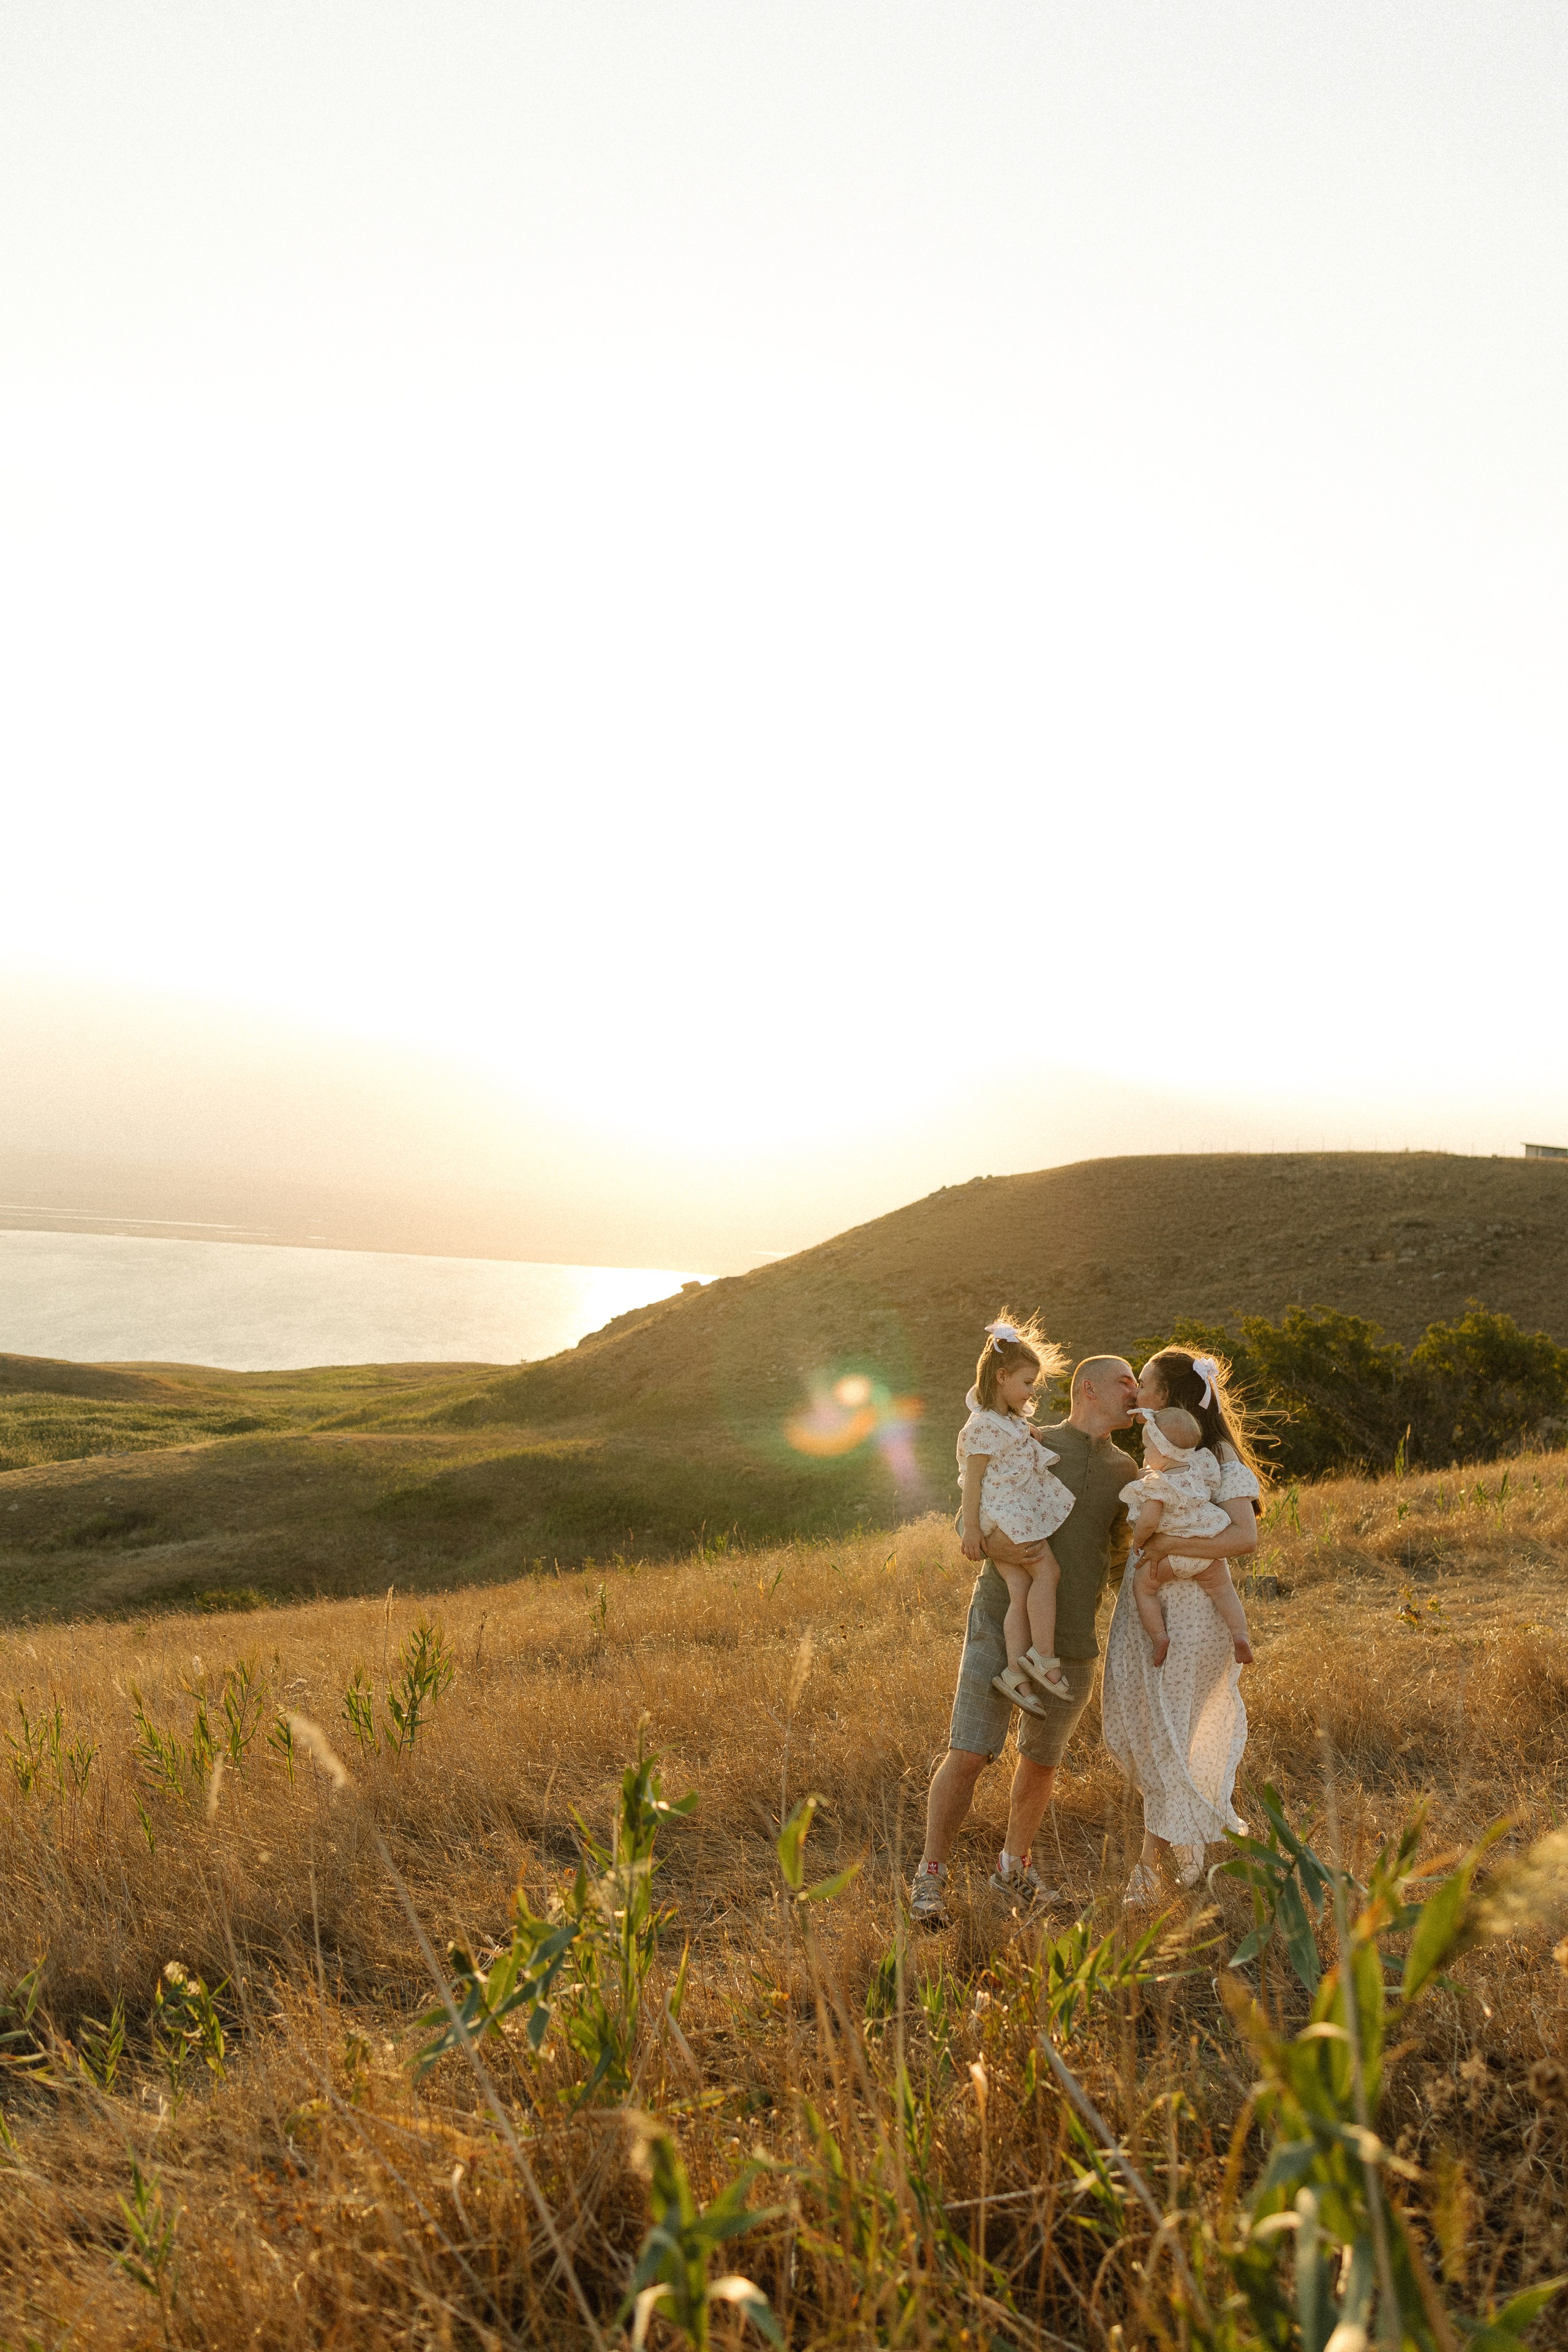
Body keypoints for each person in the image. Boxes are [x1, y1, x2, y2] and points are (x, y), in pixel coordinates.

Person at [911, 1352, 1141, 1926]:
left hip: (1074, 1638)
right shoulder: (1030, 1438)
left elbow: (1119, 1556)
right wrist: (987, 1542)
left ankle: (1013, 1869)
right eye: (1125, 1382)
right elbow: (974, 1502)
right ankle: (930, 1876)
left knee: (1041, 1761)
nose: (1136, 1391)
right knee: (969, 1752)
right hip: (999, 1617)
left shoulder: (1125, 1472)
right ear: (1089, 1390)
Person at [1101, 1349, 1262, 1906]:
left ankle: (1150, 1869)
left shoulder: (1216, 1455)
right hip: (1150, 1604)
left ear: (1166, 1395)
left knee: (1171, 1732)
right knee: (1153, 1729)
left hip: (1192, 1613)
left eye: (1143, 1383)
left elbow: (1244, 1537)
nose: (1136, 1392)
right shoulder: (1164, 1446)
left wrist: (1167, 1545)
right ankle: (1185, 1851)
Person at [957, 1317, 1077, 1715]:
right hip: (1003, 1515)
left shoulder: (1006, 1421)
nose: (1030, 1392)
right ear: (1002, 1376)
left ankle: (1014, 1673)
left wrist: (1030, 1433)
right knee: (1049, 1572)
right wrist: (971, 1530)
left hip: (1005, 1513)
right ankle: (1042, 1657)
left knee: (1021, 1590)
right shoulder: (981, 1427)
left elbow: (1012, 1443)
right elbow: (972, 1481)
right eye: (1027, 1383)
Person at [1123, 1404, 1254, 1665]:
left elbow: (1149, 1520)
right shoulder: (1200, 1467)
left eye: (1148, 1448)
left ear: (1163, 1451)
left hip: (1170, 1558)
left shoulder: (1158, 1484)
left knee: (1144, 1588)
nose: (1145, 1453)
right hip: (1205, 1548)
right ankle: (1240, 1635)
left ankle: (1159, 1637)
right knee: (1223, 1590)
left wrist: (1139, 1539)